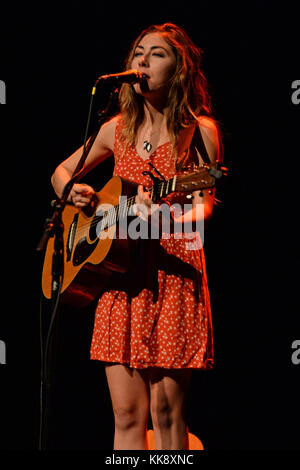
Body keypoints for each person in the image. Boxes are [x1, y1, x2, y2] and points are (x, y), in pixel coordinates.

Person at [51, 23, 222, 450]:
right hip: (119, 276)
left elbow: (201, 205)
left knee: (167, 414)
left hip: (172, 276)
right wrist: (74, 192)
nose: (142, 62)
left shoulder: (197, 130)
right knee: (127, 414)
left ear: (179, 69)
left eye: (157, 54)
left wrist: (161, 219)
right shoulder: (116, 127)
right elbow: (60, 173)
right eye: (137, 54)